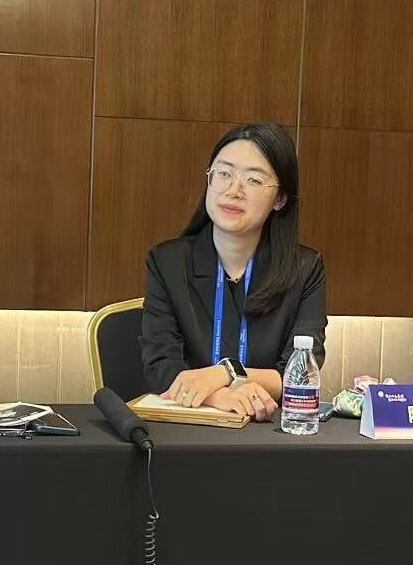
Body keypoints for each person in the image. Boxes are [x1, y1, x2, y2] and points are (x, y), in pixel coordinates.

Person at [140, 123, 327, 422]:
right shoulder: (168, 262)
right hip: (186, 426)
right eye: (224, 173)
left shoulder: (304, 269)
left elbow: (299, 371)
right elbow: (160, 365)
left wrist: (225, 373)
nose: (233, 190)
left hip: (265, 432)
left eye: (253, 180)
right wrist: (219, 398)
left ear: (280, 199)